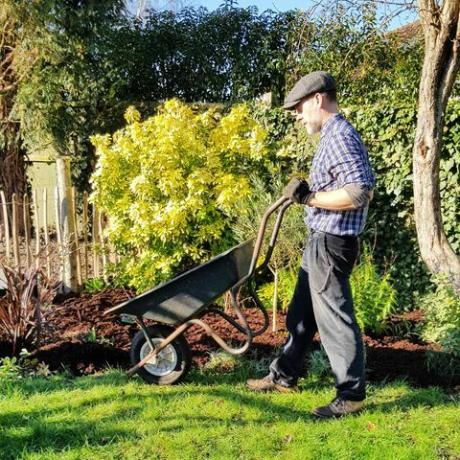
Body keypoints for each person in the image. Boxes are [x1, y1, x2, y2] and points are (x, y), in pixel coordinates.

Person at [246, 71, 376, 418]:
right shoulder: (332, 136)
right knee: (301, 315)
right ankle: (284, 375)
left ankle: (351, 396)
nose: (297, 116)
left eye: (299, 108)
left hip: (332, 243)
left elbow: (359, 192)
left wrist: (310, 197)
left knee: (335, 319)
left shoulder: (340, 136)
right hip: (321, 240)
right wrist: (310, 193)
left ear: (318, 99)